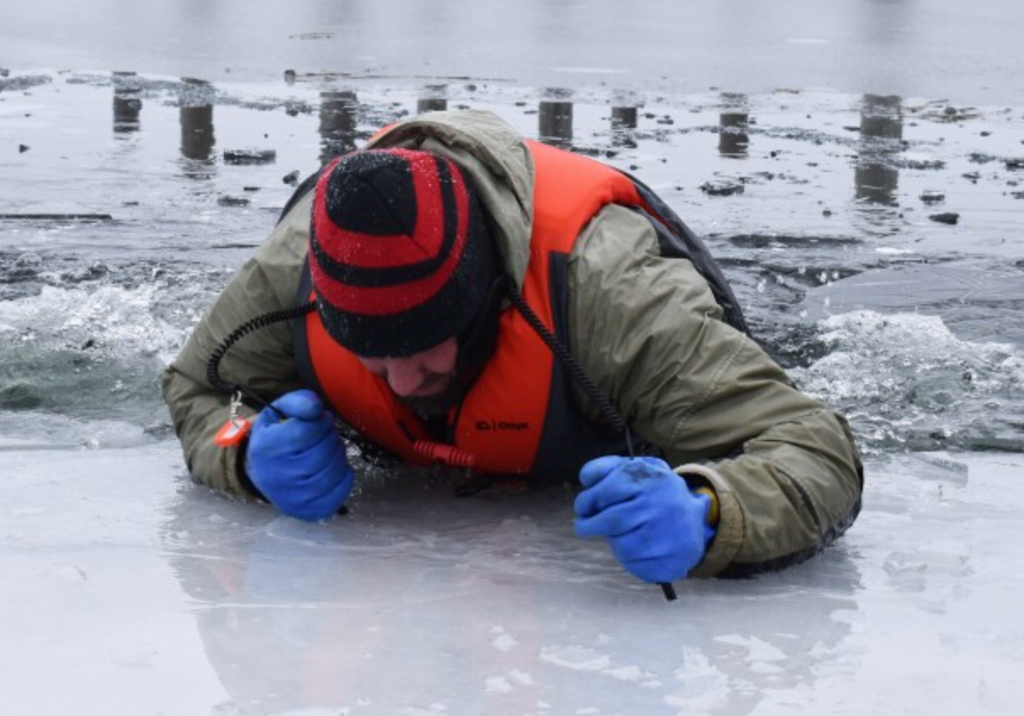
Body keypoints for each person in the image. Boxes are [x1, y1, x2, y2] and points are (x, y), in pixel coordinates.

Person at [162, 109, 863, 586]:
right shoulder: (296, 267)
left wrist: (708, 509)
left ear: (486, 302)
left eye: (425, 348)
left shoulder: (613, 293)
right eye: (372, 357)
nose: (401, 382)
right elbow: (200, 389)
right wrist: (243, 453)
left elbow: (815, 448)